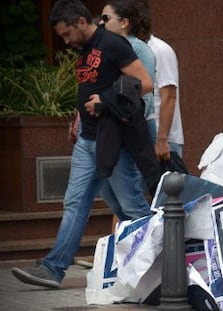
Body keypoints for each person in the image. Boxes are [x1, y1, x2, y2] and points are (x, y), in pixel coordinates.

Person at [11, 0, 154, 289]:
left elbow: (145, 83)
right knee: (75, 203)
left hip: (113, 142)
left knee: (132, 208)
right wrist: (79, 115)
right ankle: (54, 268)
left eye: (66, 34)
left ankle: (164, 259)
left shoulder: (113, 44)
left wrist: (106, 100)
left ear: (80, 21)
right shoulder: (85, 49)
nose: (65, 41)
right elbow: (92, 85)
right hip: (87, 141)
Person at [98, 0, 157, 222]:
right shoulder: (104, 46)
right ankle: (136, 240)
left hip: (129, 128)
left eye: (106, 18)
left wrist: (109, 105)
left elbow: (145, 91)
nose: (101, 23)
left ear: (124, 22)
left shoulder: (139, 48)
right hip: (108, 127)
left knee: (130, 196)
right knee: (110, 194)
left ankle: (149, 243)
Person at [135, 0, 184, 160]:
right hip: (139, 135)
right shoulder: (130, 50)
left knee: (164, 184)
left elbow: (168, 96)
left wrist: (162, 140)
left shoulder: (160, 50)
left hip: (161, 137)